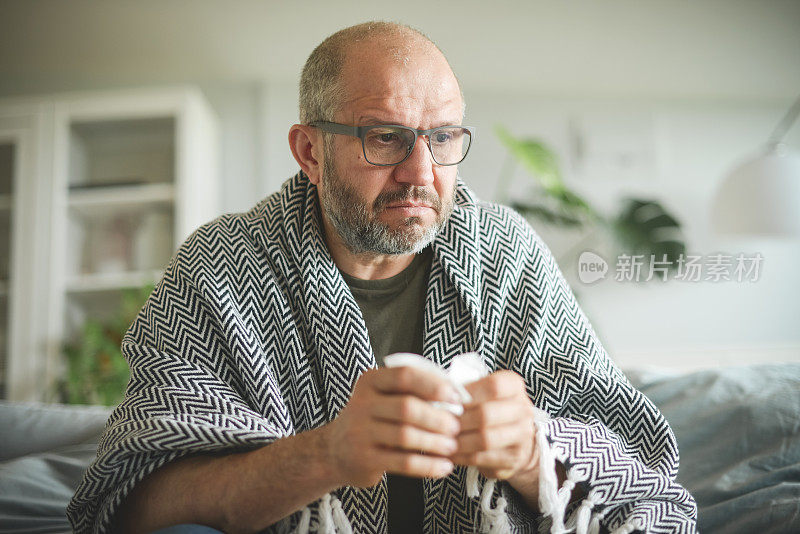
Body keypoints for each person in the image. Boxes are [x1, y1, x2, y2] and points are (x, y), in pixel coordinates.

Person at [68, 21, 697, 534]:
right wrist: (327, 454)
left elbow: (642, 473)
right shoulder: (220, 265)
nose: (421, 173)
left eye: (444, 137)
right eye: (386, 138)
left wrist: (530, 453)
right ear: (310, 151)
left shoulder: (508, 254)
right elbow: (131, 501)